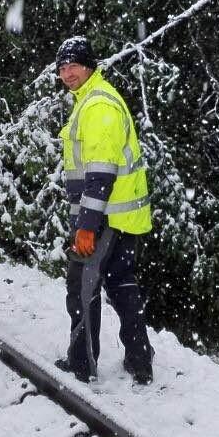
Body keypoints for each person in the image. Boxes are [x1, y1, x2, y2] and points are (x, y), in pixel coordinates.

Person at [52, 36, 155, 385]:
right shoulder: (95, 100)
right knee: (123, 286)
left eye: (73, 66)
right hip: (119, 217)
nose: (67, 74)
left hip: (103, 218)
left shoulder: (97, 105)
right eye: (62, 68)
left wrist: (86, 225)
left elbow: (100, 172)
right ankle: (140, 362)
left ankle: (82, 365)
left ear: (89, 66)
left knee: (81, 286)